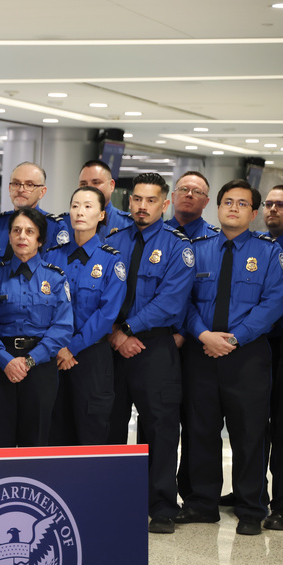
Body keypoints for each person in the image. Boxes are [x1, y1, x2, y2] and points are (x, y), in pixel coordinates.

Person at [176, 180, 283, 536]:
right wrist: (204, 335)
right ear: (217, 208)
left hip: (248, 355)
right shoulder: (196, 249)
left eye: (242, 203)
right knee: (201, 429)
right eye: (227, 202)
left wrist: (235, 338)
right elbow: (184, 301)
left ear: (254, 213)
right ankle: (202, 503)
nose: (234, 208)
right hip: (202, 351)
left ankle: (251, 508)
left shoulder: (269, 253)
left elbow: (273, 304)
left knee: (249, 433)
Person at [105, 173, 194, 534]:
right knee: (109, 423)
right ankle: (111, 500)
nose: (143, 206)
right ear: (130, 201)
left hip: (154, 344)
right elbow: (101, 292)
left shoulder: (177, 246)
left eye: (151, 200)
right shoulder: (112, 241)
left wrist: (127, 330)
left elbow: (170, 301)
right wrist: (115, 333)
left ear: (164, 203)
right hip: (111, 343)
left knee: (159, 426)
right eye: (137, 199)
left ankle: (160, 505)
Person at [0, 207, 73, 448]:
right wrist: (5, 361)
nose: (22, 236)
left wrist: (30, 360)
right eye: (17, 230)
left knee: (38, 440)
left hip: (39, 366)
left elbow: (62, 327)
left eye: (30, 232)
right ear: (10, 236)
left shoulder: (55, 278)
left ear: (40, 240)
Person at [48, 187, 126, 446]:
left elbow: (106, 315)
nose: (80, 211)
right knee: (55, 429)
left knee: (91, 430)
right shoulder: (51, 257)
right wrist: (59, 347)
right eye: (75, 205)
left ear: (102, 214)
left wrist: (71, 347)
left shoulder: (111, 260)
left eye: (88, 206)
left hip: (91, 356)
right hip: (53, 356)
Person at [263, 185, 283, 531]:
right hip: (262, 345)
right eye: (268, 204)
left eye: (280, 205)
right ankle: (255, 494)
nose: (272, 209)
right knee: (257, 424)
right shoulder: (262, 248)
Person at [0, 162, 64, 261]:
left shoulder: (55, 226)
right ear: (9, 188)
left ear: (42, 192)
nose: (20, 189)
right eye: (16, 183)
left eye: (29, 185)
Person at [57, 160, 133, 241]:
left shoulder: (128, 225)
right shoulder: (64, 223)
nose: (89, 188)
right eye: (83, 184)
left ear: (111, 185)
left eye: (96, 182)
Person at [166, 171, 220, 240]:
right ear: (173, 197)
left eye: (197, 192)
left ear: (205, 202)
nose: (189, 194)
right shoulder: (156, 233)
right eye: (184, 189)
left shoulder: (216, 238)